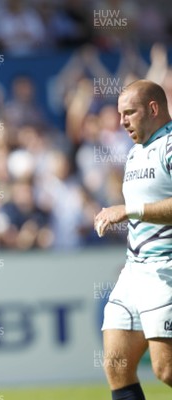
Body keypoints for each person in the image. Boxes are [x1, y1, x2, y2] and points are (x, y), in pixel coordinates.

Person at [94, 79, 172, 400]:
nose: (122, 121)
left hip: (165, 270)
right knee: (117, 363)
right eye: (120, 113)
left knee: (165, 370)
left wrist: (129, 210)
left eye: (129, 113)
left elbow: (137, 209)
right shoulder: (135, 152)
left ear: (153, 109)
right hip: (134, 270)